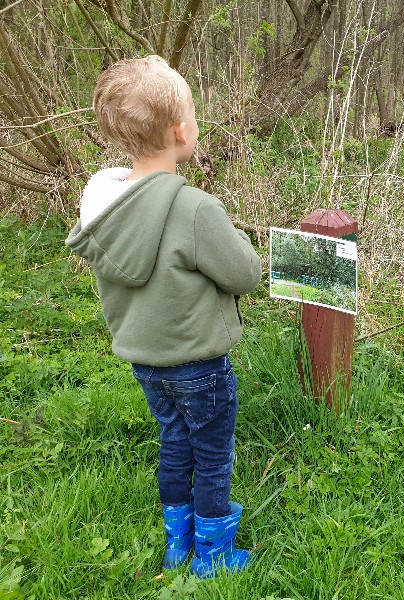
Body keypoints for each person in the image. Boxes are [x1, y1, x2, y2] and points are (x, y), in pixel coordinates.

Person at [65, 55, 262, 579]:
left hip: (146, 362)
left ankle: (178, 543)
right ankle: (214, 555)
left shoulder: (105, 207)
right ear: (181, 130)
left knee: (174, 441)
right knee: (213, 453)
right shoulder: (194, 208)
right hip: (199, 363)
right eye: (194, 114)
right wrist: (240, 241)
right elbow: (245, 274)